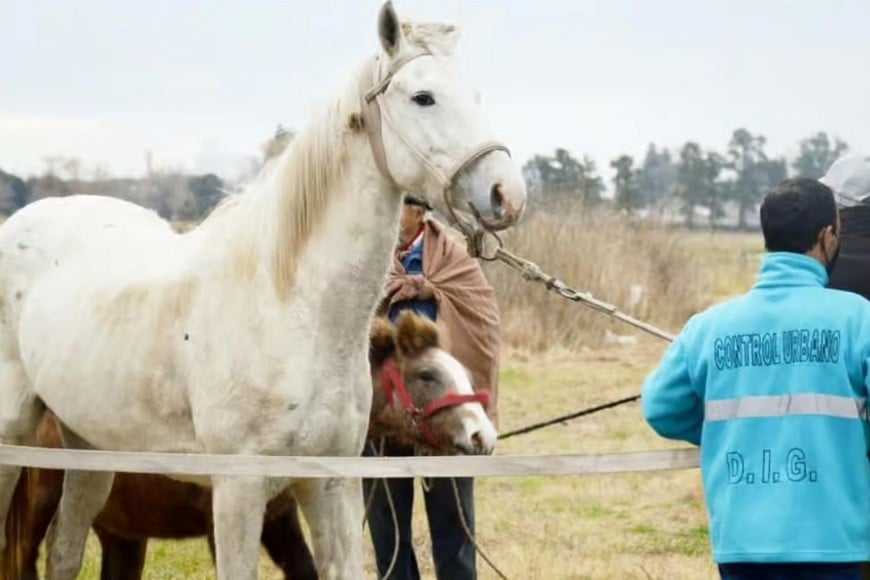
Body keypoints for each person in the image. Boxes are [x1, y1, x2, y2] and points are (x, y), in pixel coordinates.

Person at [640, 177, 870, 580]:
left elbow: (661, 408)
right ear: (827, 236)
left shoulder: (707, 326)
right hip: (832, 542)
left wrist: (737, 430)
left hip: (741, 543)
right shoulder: (858, 319)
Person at [363, 193, 501, 580]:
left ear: (419, 211)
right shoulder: (368, 254)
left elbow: (482, 322)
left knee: (453, 532)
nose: (389, 211)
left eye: (400, 204)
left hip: (444, 416)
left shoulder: (453, 259)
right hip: (385, 415)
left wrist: (432, 290)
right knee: (388, 535)